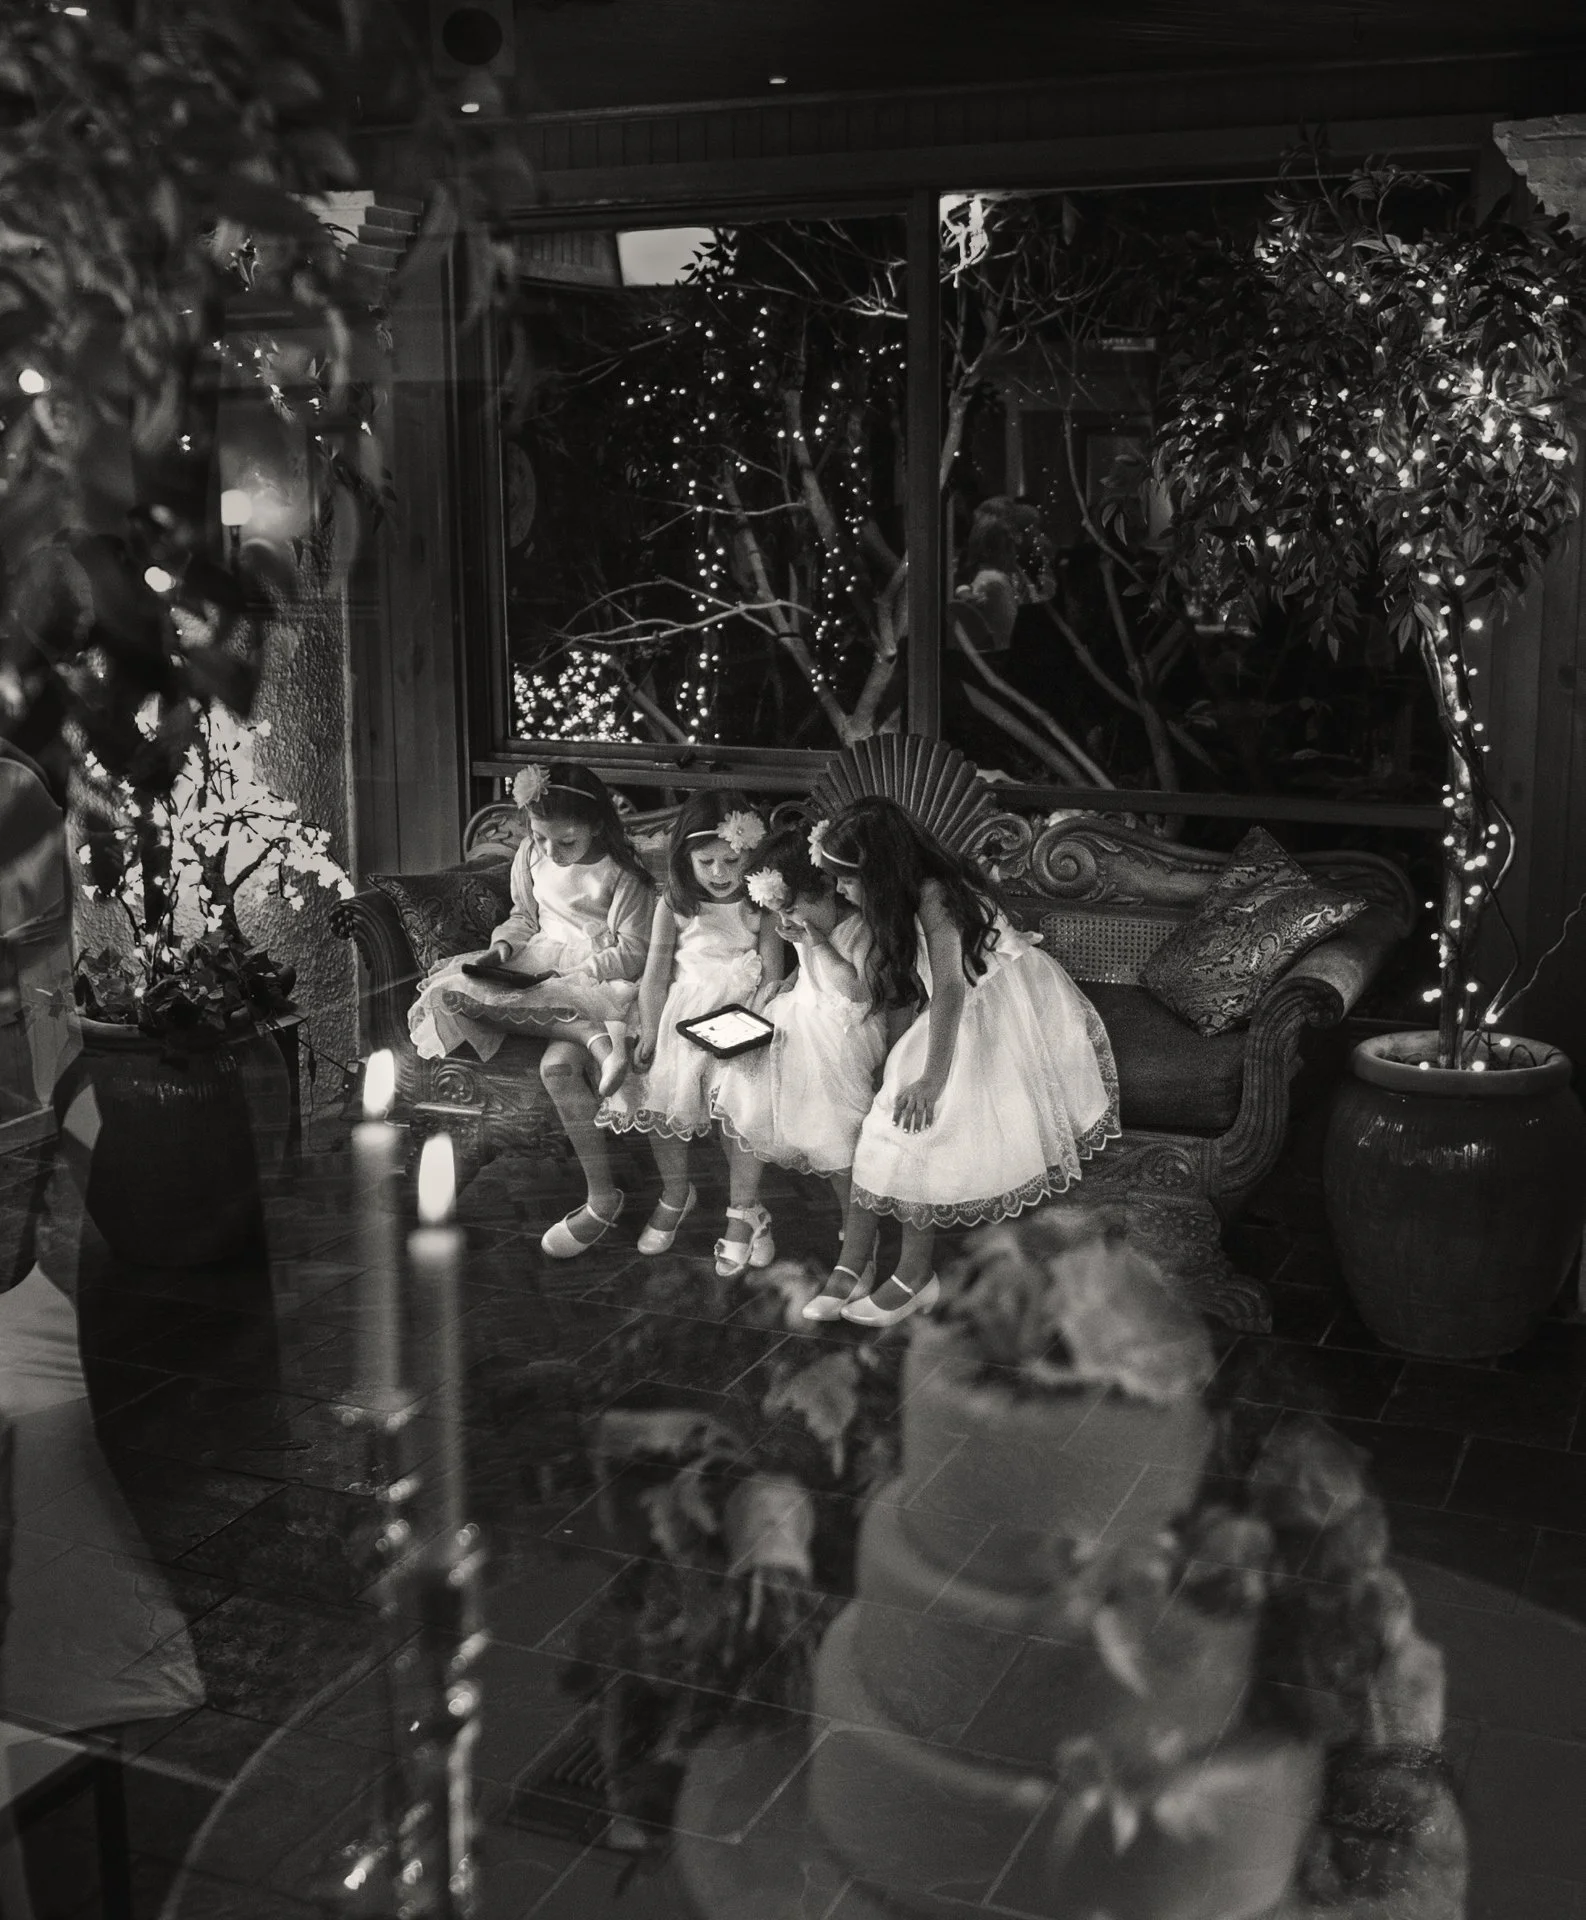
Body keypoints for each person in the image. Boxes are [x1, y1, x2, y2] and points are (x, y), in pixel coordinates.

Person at [809, 796, 1119, 1326]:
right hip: (967, 1007)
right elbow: (919, 988)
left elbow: (951, 988)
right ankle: (867, 1266)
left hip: (999, 1015)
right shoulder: (911, 890)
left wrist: (931, 1077)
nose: (840, 890)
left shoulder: (934, 895)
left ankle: (913, 1277)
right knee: (886, 1124)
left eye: (847, 878)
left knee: (914, 1131)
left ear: (879, 872)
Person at [408, 765, 653, 1260]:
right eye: (540, 838)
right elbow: (524, 916)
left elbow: (634, 952)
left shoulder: (623, 875)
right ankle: (591, 1038)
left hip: (597, 980)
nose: (550, 852)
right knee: (451, 992)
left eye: (565, 842)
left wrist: (570, 976)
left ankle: (601, 1199)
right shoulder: (531, 856)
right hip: (537, 966)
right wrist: (501, 951)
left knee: (558, 1068)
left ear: (598, 827)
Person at [597, 791, 784, 1271]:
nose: (720, 873)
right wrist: (654, 1035)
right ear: (686, 859)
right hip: (681, 1016)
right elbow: (656, 976)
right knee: (663, 1092)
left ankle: (745, 1210)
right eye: (707, 862)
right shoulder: (674, 904)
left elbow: (774, 974)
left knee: (739, 1099)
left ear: (752, 856)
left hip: (742, 1014)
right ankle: (676, 1193)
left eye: (732, 860)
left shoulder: (760, 905)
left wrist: (757, 1014)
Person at [709, 828, 886, 1310]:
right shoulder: (807, 921)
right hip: (802, 1013)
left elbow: (855, 994)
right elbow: (806, 974)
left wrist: (818, 944)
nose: (785, 922)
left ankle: (859, 1242)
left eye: (791, 910)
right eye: (779, 912)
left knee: (830, 1128)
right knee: (744, 1089)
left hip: (845, 1032)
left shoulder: (861, 927)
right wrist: (782, 982)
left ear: (828, 889)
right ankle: (744, 1212)